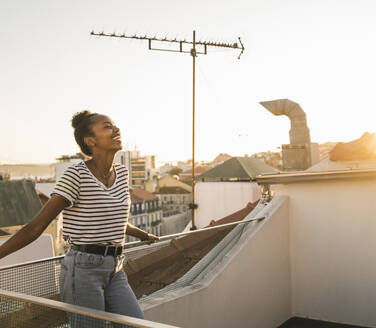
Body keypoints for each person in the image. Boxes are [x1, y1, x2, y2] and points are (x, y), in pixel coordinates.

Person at [0, 110, 159, 327]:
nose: (116, 130)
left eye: (115, 125)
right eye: (107, 127)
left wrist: (143, 234)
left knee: (135, 324)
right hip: (83, 270)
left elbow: (113, 220)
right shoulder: (76, 175)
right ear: (90, 140)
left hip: (116, 268)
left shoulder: (122, 174)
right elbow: (37, 226)